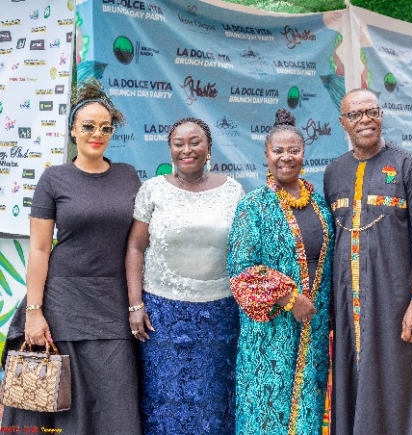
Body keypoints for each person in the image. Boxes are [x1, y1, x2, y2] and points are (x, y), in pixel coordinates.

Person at [1, 80, 142, 434]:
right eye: (89, 127)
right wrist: (34, 312)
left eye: (105, 128)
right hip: (62, 302)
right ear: (72, 132)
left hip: (113, 302)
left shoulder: (128, 176)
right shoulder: (53, 179)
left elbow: (138, 243)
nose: (98, 134)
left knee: (115, 397)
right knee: (65, 399)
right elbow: (38, 248)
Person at [324, 89, 412, 435]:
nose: (364, 120)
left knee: (397, 384)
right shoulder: (333, 172)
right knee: (350, 381)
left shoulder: (409, 167)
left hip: (395, 302)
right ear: (343, 123)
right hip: (346, 305)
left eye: (370, 111)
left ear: (381, 115)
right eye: (355, 115)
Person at [125, 117, 244, 435]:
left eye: (195, 142)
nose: (186, 149)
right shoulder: (152, 190)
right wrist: (136, 305)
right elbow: (136, 247)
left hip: (219, 314)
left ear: (209, 149)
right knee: (165, 398)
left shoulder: (232, 190)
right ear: (169, 150)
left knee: (214, 398)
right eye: (179, 143)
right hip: (162, 317)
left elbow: (244, 249)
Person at [227, 109, 333, 435]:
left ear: (304, 154)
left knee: (308, 408)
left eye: (294, 150)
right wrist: (288, 297)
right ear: (266, 156)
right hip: (269, 334)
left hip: (313, 330)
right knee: (266, 408)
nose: (286, 158)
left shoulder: (320, 205)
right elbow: (241, 271)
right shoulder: (254, 205)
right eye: (278, 151)